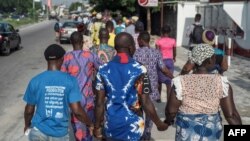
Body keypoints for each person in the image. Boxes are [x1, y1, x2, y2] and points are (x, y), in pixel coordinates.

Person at [94, 32, 168, 141]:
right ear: (130, 47)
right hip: (133, 127)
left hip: (111, 125)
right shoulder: (139, 69)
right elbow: (146, 102)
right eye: (134, 45)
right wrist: (159, 123)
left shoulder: (103, 69)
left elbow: (99, 103)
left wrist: (97, 127)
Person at [164, 44, 242, 141]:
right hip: (211, 134)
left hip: (186, 135)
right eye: (214, 57)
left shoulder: (180, 82)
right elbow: (231, 115)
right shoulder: (222, 82)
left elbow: (171, 111)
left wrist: (167, 122)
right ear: (210, 60)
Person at [23, 44, 94, 141]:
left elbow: (29, 110)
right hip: (60, 134)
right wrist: (90, 123)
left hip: (38, 131)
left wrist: (27, 125)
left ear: (47, 60)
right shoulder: (70, 81)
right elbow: (77, 111)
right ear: (62, 59)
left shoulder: (35, 80)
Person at [61, 31, 103, 141]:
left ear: (71, 42)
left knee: (78, 130)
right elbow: (103, 70)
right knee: (89, 127)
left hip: (73, 100)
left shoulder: (66, 57)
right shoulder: (90, 56)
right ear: (82, 41)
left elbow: (62, 79)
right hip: (88, 99)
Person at [133, 31, 173, 140]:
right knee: (150, 112)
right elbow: (163, 69)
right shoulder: (156, 52)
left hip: (139, 87)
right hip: (152, 87)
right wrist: (173, 77)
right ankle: (147, 134)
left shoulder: (136, 53)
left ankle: (140, 134)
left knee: (139, 110)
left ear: (141, 40)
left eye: (138, 39)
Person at [155, 25, 176, 101]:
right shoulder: (173, 40)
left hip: (161, 61)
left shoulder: (158, 41)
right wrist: (174, 57)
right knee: (169, 83)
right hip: (170, 61)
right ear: (169, 32)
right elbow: (174, 51)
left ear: (162, 32)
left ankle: (158, 99)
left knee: (159, 81)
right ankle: (169, 100)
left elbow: (157, 52)